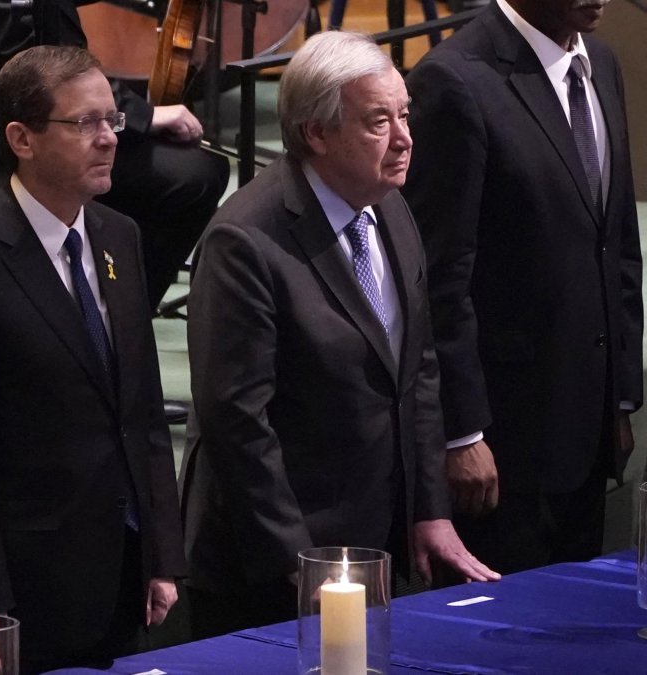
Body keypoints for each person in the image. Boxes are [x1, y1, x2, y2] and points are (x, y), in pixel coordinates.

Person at [180, 31, 500, 637]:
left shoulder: (388, 203)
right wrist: (302, 564)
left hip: (368, 548)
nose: (405, 138)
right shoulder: (245, 241)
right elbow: (237, 421)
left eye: (405, 115)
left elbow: (418, 367)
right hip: (270, 566)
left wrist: (429, 509)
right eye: (378, 121)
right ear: (316, 134)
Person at [0, 46, 186, 672]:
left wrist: (161, 553)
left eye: (111, 119)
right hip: (18, 597)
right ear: (21, 138)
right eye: (84, 123)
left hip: (118, 578)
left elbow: (140, 414)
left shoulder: (119, 236)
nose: (109, 138)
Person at [403, 0, 641, 574]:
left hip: (588, 433)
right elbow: (438, 276)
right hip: (502, 448)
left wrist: (621, 397)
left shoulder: (601, 63)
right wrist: (460, 433)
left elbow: (617, 243)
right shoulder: (455, 78)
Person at [0, 0, 230, 309]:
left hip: (4, 104)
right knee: (187, 177)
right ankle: (97, 325)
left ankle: (105, 326)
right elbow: (21, 48)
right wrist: (135, 114)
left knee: (187, 169)